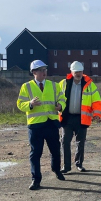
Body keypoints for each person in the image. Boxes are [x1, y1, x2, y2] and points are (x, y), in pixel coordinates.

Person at [16, 60, 66, 190]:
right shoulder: (26, 86)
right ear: (34, 72)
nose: (44, 72)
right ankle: (36, 180)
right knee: (35, 153)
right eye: (41, 70)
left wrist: (61, 105)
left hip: (51, 123)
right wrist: (30, 104)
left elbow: (62, 98)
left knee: (55, 150)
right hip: (36, 125)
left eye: (45, 70)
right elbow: (20, 104)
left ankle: (56, 170)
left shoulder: (54, 85)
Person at [59, 61, 101, 173]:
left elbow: (96, 101)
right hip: (67, 117)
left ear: (83, 72)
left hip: (82, 118)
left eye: (80, 71)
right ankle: (66, 166)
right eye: (76, 72)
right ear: (71, 72)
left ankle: (79, 163)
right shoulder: (63, 83)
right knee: (65, 141)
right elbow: (57, 98)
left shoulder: (89, 84)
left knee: (80, 142)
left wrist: (97, 114)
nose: (78, 74)